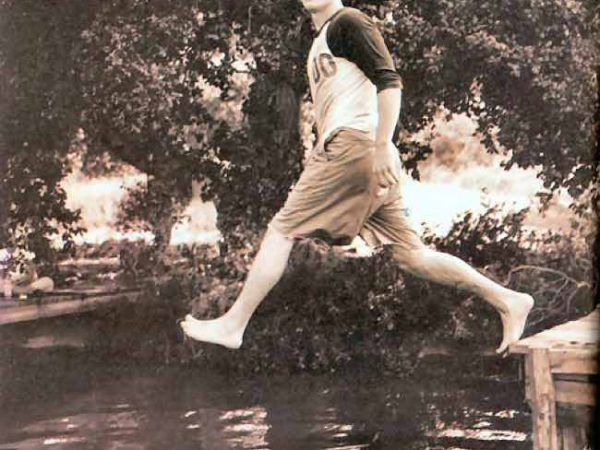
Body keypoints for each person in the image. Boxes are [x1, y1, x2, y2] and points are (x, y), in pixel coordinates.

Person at [181, 0, 534, 354]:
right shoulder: (323, 39)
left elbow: (389, 82)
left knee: (281, 231)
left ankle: (234, 324)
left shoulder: (348, 22)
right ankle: (507, 299)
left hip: (356, 147)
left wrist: (381, 145)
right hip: (360, 152)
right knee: (411, 256)